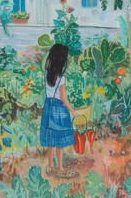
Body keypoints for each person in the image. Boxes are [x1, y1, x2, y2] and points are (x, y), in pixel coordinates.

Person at [40, 43, 80, 178]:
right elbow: (63, 98)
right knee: (60, 141)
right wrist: (73, 111)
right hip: (59, 110)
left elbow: (49, 93)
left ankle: (50, 167)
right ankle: (60, 169)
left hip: (48, 107)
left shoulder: (46, 74)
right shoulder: (61, 78)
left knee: (51, 139)